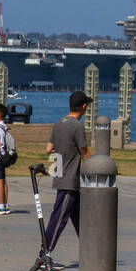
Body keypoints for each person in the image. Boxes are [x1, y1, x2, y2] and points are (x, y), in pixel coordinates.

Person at [44, 91, 91, 255]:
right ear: (84, 107)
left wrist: (64, 148)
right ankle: (44, 255)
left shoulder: (59, 123)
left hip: (61, 175)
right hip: (69, 181)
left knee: (80, 219)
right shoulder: (77, 126)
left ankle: (90, 252)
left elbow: (48, 149)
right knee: (58, 219)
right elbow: (85, 154)